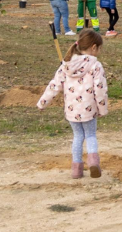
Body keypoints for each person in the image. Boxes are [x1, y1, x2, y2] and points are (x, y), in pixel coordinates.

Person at [37, 29, 110, 179]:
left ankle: (76, 170)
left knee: (77, 136)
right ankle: (93, 162)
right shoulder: (96, 66)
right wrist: (103, 109)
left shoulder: (66, 64)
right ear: (94, 47)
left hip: (71, 111)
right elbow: (100, 90)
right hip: (89, 111)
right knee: (90, 135)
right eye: (99, 48)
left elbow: (54, 85)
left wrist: (42, 103)